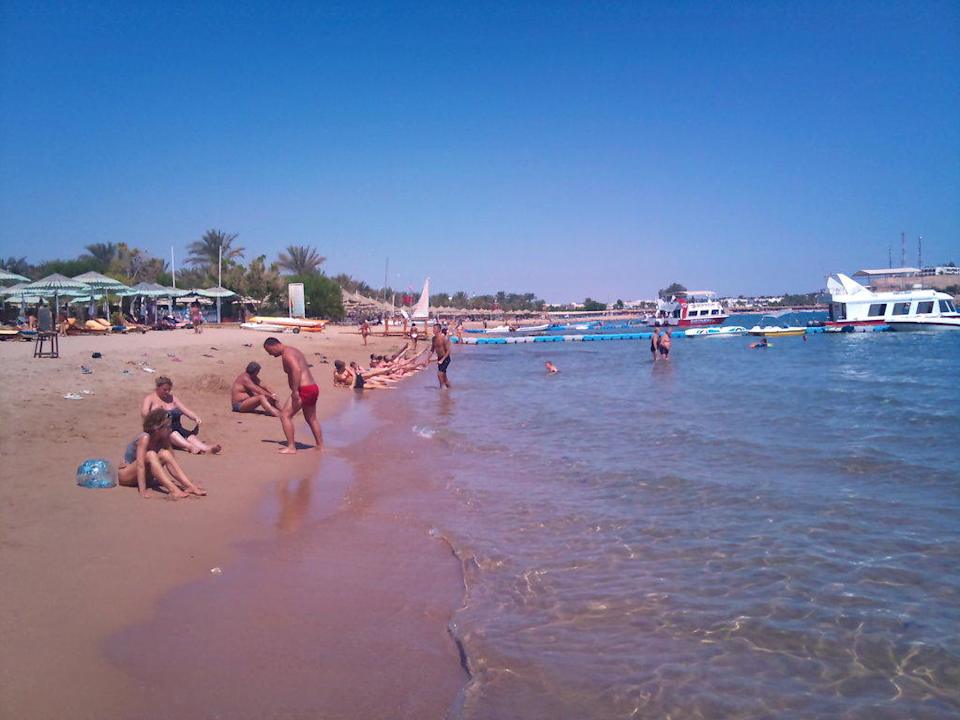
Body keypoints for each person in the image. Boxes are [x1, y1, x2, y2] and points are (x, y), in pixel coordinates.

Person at [119, 408, 207, 499]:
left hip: (145, 476)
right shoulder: (145, 438)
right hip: (126, 475)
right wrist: (142, 490)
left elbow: (171, 460)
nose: (170, 429)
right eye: (167, 427)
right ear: (157, 428)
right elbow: (140, 465)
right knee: (151, 454)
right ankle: (174, 490)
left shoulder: (163, 438)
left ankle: (190, 487)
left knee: (165, 454)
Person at [263, 337, 323, 454]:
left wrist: (295, 391)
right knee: (311, 418)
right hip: (312, 387)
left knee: (285, 415)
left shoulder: (287, 354)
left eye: (269, 351)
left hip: (303, 389)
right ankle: (320, 446)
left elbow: (296, 370)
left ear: (273, 345)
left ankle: (291, 447)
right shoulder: (293, 350)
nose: (270, 354)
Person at [141, 376, 222, 455]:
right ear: (157, 387)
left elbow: (185, 410)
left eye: (169, 390)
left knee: (190, 436)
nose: (167, 392)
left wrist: (195, 418)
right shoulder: (150, 398)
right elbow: (144, 413)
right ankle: (190, 447)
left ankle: (206, 448)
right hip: (162, 432)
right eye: (164, 390)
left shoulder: (172, 398)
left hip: (178, 428)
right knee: (174, 434)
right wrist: (157, 417)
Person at [430, 322, 452, 389]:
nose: (433, 330)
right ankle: (448, 387)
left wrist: (442, 360)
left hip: (446, 358)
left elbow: (449, 351)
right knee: (444, 376)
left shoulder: (443, 338)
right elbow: (432, 350)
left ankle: (443, 390)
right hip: (440, 358)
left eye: (435, 329)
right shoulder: (433, 339)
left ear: (439, 330)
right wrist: (427, 359)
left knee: (440, 374)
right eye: (433, 328)